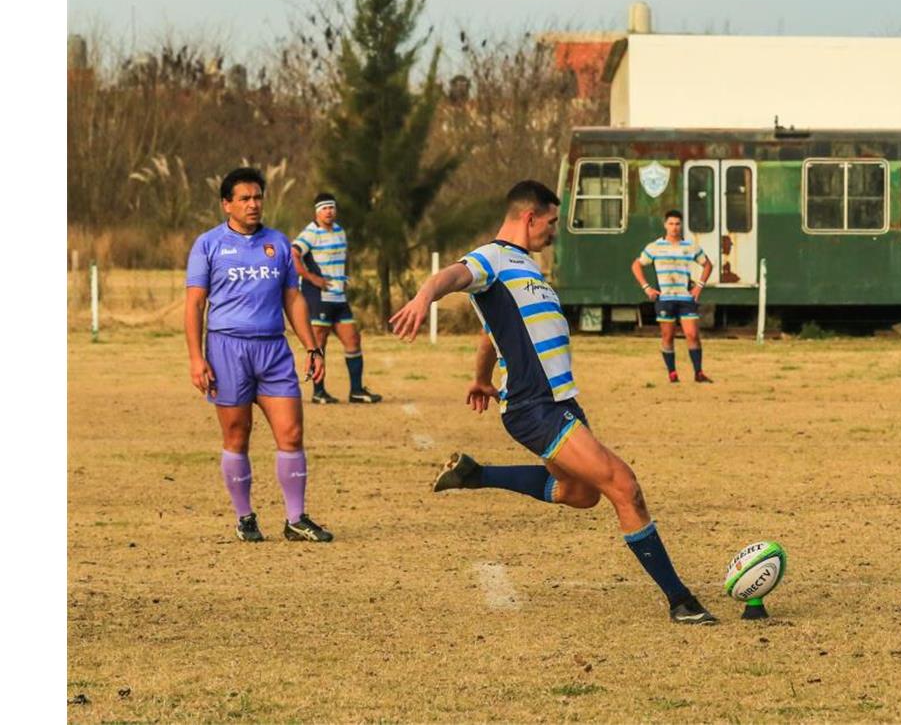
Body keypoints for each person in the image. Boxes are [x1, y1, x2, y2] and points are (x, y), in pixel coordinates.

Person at [389, 181, 717, 624]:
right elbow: (451, 275)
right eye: (550, 222)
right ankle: (680, 601)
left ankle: (476, 474)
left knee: (581, 494)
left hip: (560, 402)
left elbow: (491, 333)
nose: (553, 231)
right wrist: (426, 295)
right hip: (535, 406)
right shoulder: (493, 257)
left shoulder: (524, 267)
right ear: (529, 218)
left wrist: (481, 378)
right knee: (625, 486)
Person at [185, 167, 334, 543]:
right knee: (237, 435)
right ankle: (244, 517)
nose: (253, 204)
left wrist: (311, 346)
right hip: (225, 349)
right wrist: (196, 357)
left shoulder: (279, 243)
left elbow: (293, 298)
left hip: (273, 350)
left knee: (292, 432)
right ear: (226, 205)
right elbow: (194, 304)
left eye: (258, 197)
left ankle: (296, 518)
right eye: (245, 198)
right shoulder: (208, 244)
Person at [291, 192, 382, 404]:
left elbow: (343, 257)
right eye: (324, 208)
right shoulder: (310, 233)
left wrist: (344, 276)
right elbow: (292, 254)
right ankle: (318, 391)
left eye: (331, 207)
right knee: (319, 343)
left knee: (352, 339)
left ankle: (357, 391)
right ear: (317, 212)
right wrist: (312, 277)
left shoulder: (340, 231)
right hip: (318, 297)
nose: (329, 212)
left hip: (339, 297)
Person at [630, 211, 714, 383]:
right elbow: (636, 265)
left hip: (685, 298)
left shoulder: (690, 246)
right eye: (671, 224)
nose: (674, 227)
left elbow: (707, 265)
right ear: (665, 225)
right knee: (668, 337)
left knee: (692, 334)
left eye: (677, 224)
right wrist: (647, 288)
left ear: (681, 225)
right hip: (665, 299)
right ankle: (672, 373)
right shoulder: (655, 247)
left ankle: (698, 372)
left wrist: (698, 287)